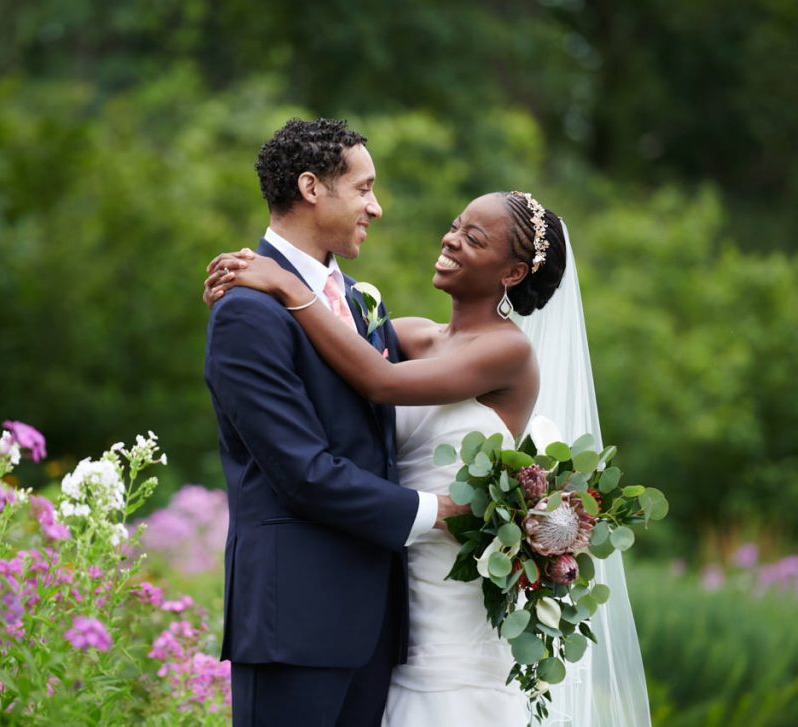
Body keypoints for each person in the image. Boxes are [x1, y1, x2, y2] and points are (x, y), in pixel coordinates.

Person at [205, 190, 652, 726]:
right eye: (455, 225)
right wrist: (256, 303)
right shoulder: (413, 334)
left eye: (473, 238)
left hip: (450, 582)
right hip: (385, 590)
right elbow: (326, 357)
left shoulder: (507, 353)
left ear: (511, 272)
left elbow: (378, 381)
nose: (450, 240)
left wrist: (283, 284)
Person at [203, 117, 463, 727]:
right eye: (364, 188)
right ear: (312, 187)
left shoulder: (355, 301)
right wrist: (435, 513)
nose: (377, 206)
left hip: (375, 624)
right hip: (294, 622)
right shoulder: (247, 313)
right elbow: (303, 471)